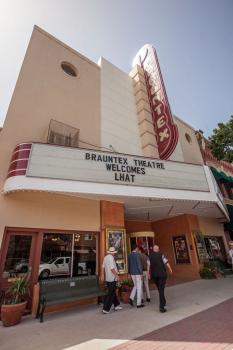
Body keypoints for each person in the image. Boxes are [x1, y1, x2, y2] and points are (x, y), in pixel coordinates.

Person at [149, 245, 172, 313]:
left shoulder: (149, 256)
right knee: (161, 290)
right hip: (162, 275)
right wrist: (170, 268)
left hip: (155, 276)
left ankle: (163, 301)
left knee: (160, 289)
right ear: (158, 249)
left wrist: (148, 274)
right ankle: (161, 307)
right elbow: (166, 262)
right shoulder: (161, 254)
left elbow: (148, 265)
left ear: (153, 249)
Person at [101, 247, 122, 314]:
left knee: (112, 292)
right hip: (112, 278)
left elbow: (102, 267)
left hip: (108, 278)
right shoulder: (111, 258)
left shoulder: (105, 257)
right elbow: (112, 269)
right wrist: (117, 276)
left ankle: (116, 305)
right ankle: (106, 309)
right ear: (113, 253)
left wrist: (102, 275)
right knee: (110, 294)